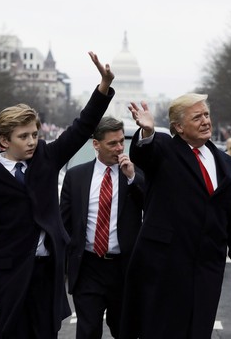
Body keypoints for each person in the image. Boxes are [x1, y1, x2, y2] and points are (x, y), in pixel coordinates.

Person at [0, 51, 114, 339]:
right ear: (4, 140)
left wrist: (103, 87)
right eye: (23, 136)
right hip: (8, 277)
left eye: (34, 134)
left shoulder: (46, 158)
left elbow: (81, 127)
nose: (31, 142)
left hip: (47, 276)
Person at [121, 94, 231, 338]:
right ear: (179, 127)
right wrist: (148, 132)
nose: (205, 121)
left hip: (207, 269)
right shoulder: (163, 149)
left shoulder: (228, 164)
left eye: (206, 115)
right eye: (197, 117)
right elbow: (144, 155)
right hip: (165, 267)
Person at [60, 116, 144, 339]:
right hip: (88, 267)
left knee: (125, 330)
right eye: (112, 143)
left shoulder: (134, 174)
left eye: (121, 142)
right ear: (96, 144)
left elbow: (152, 204)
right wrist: (66, 263)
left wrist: (132, 177)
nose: (119, 148)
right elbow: (64, 223)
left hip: (123, 268)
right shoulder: (76, 176)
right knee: (87, 331)